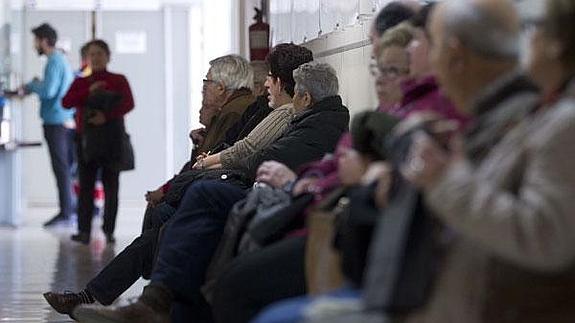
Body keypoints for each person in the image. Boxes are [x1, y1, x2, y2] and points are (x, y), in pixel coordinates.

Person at [42, 46, 311, 319]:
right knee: (160, 223)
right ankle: (140, 297)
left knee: (166, 221)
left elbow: (241, 151)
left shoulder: (268, 112)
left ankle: (143, 299)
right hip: (227, 182)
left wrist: (202, 163)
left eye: (206, 83)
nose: (263, 84)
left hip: (232, 187)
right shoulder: (257, 109)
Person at [399, 0, 575, 322]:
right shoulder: (547, 114)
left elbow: (546, 234)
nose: (525, 41)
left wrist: (445, 177)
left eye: (535, 28)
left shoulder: (567, 123)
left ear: (557, 45)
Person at [62, 39, 134, 245]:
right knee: (86, 186)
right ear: (87, 58)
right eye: (92, 54)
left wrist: (107, 116)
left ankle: (109, 230)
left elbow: (129, 103)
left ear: (108, 56)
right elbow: (66, 102)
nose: (96, 58)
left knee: (112, 187)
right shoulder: (81, 82)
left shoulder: (119, 80)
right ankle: (83, 230)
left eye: (100, 54)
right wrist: (89, 91)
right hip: (85, 141)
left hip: (112, 140)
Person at [21, 23, 75, 227]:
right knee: (63, 167)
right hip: (60, 120)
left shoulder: (53, 61)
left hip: (56, 122)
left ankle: (66, 212)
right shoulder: (59, 59)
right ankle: (68, 209)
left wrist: (32, 85)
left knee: (60, 167)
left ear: (43, 40)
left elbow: (48, 91)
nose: (35, 44)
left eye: (36, 40)